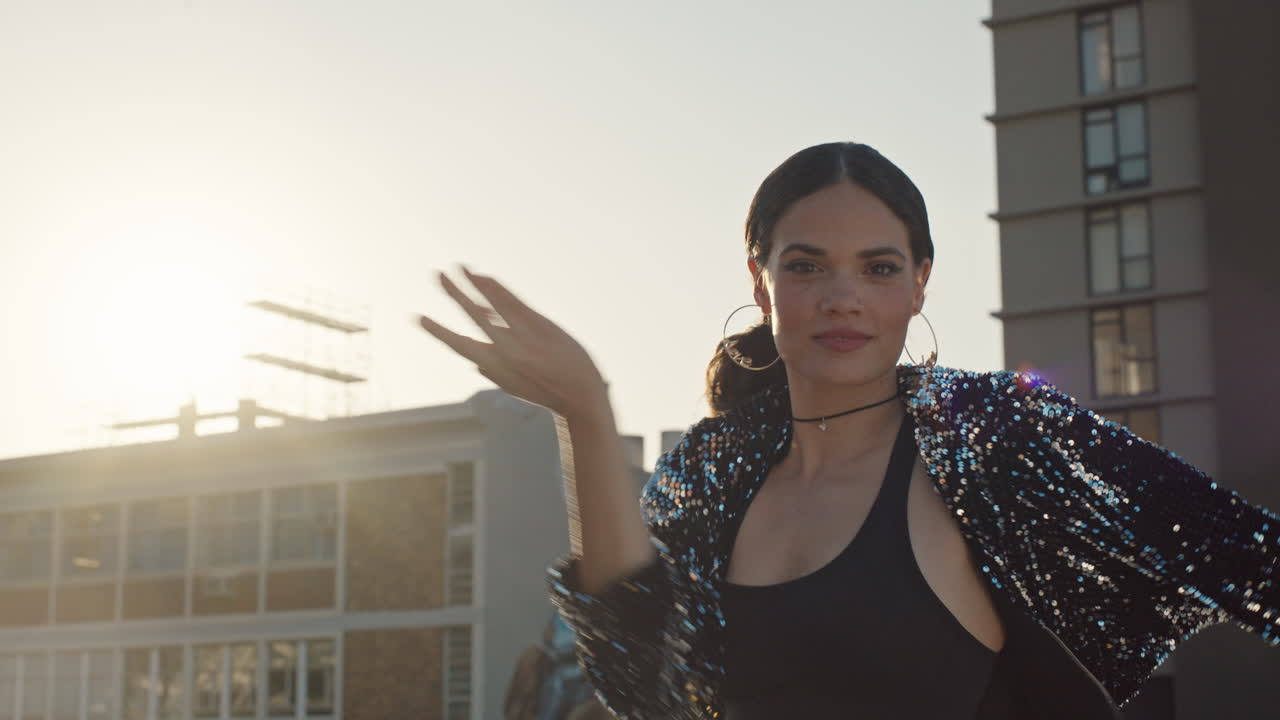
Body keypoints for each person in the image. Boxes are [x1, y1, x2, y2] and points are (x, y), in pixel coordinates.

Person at [415, 142, 1280, 719]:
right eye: (806, 266)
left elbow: (1251, 561)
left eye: (878, 267)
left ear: (919, 285)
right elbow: (642, 688)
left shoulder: (992, 436)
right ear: (762, 285)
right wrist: (587, 413)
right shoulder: (716, 471)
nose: (843, 297)